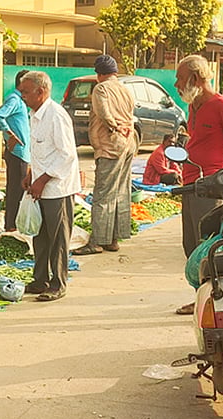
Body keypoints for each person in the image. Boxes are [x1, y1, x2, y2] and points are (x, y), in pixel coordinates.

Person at [173, 54, 223, 315]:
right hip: (192, 184)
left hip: (212, 187)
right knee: (192, 246)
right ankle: (202, 298)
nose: (176, 84)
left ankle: (215, 302)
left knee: (209, 247)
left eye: (180, 78)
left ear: (195, 79)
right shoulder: (193, 106)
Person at [18, 71, 80, 302]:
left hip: (58, 188)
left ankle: (58, 283)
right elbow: (42, 151)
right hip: (40, 186)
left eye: (25, 92)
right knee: (41, 236)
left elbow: (67, 155)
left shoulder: (56, 115)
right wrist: (31, 174)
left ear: (40, 92)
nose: (22, 96)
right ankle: (40, 279)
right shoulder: (35, 115)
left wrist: (43, 180)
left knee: (58, 239)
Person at [75, 55, 136, 256]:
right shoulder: (124, 89)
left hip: (111, 143)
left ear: (99, 74)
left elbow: (104, 113)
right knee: (120, 191)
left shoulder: (101, 89)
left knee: (103, 193)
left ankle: (97, 241)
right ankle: (113, 239)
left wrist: (114, 126)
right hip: (128, 143)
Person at [0, 69, 31, 232]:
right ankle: (11, 226)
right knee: (16, 189)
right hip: (17, 152)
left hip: (21, 152)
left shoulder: (19, 100)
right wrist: (10, 135)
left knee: (16, 188)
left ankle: (13, 224)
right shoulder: (15, 99)